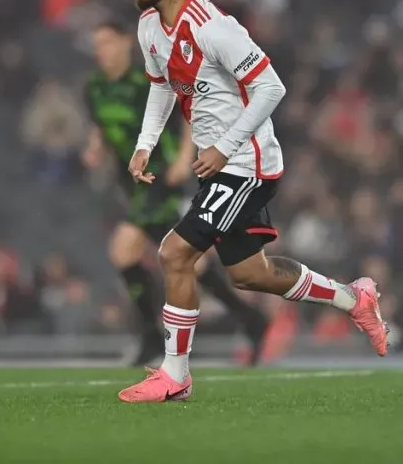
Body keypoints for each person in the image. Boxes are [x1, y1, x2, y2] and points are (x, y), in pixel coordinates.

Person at [118, 0, 388, 403]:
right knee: (249, 274)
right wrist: (145, 143)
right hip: (220, 163)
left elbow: (272, 88)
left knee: (174, 254)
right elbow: (162, 85)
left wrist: (223, 147)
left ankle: (175, 374)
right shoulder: (148, 27)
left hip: (247, 163)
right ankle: (354, 297)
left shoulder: (214, 27)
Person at [84, 21, 269, 365]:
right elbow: (102, 126)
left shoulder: (148, 79)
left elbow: (188, 109)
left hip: (163, 176)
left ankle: (154, 337)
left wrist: (186, 156)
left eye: (108, 41)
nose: (102, 51)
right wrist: (95, 148)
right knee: (185, 260)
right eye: (97, 44)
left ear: (126, 42)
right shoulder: (94, 87)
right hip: (136, 183)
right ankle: (250, 318)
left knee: (125, 249)